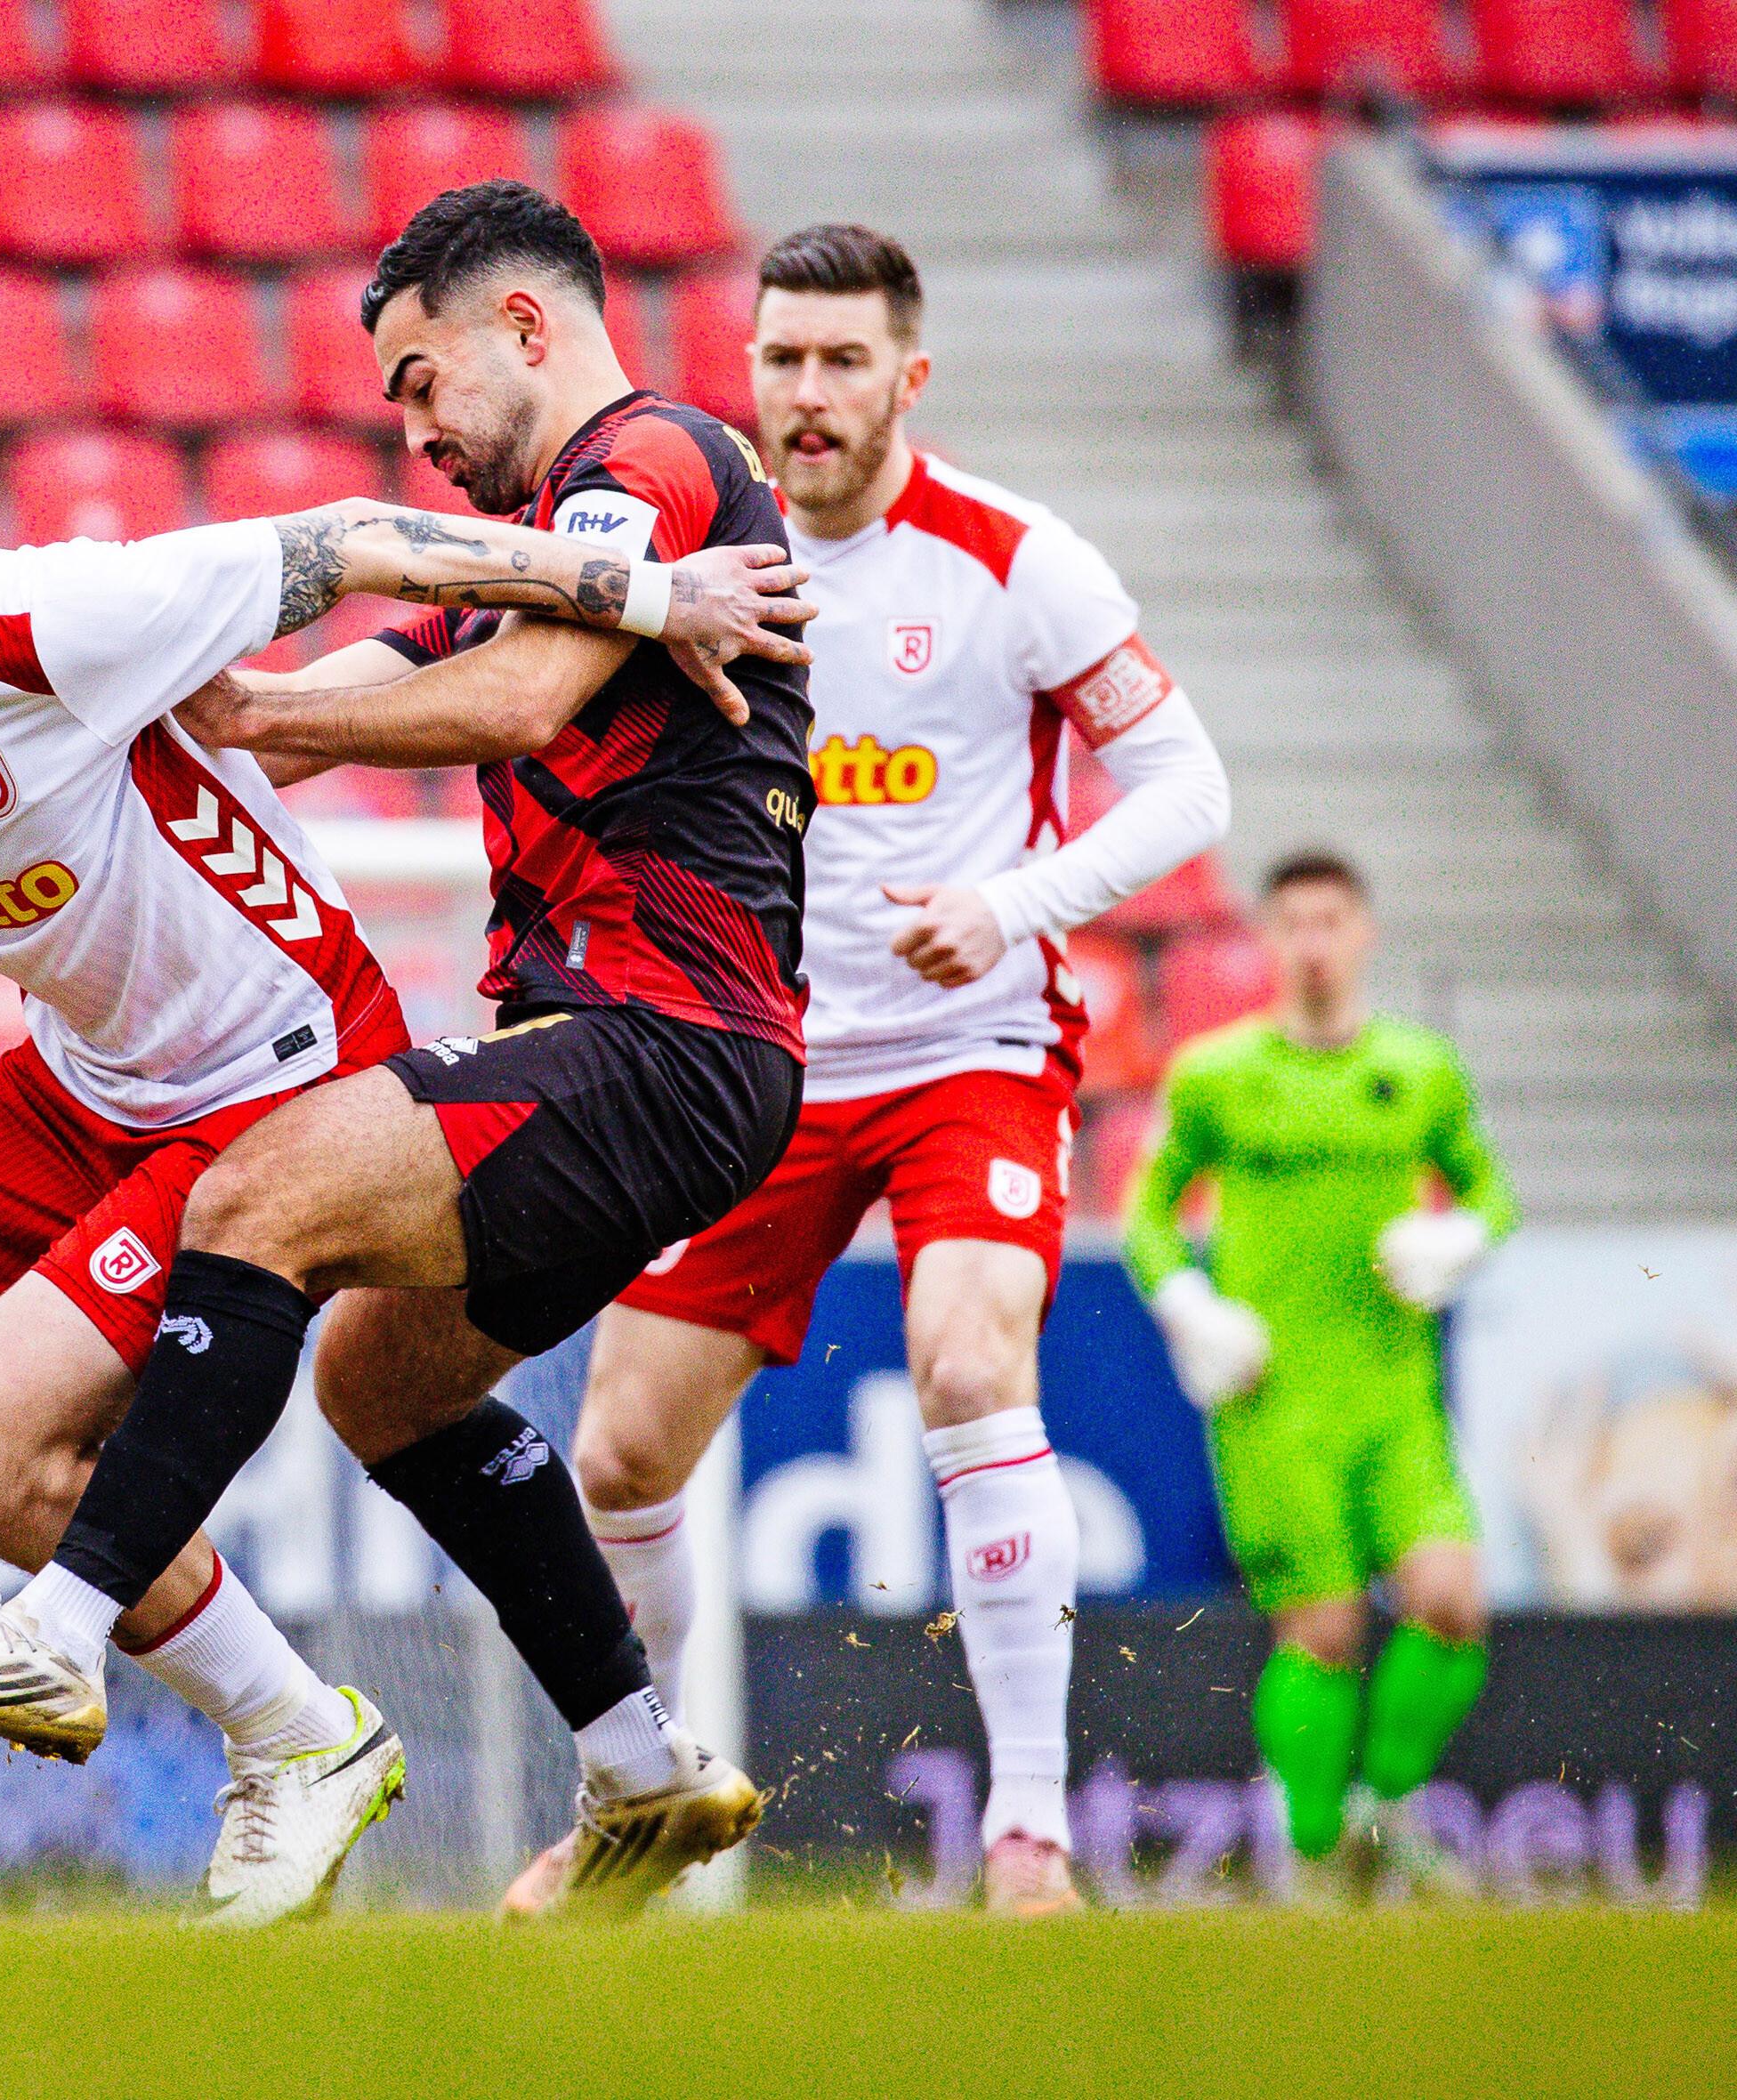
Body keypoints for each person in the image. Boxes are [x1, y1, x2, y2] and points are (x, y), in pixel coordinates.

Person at [0, 371, 811, 1925]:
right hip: (80, 1079)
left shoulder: (51, 616)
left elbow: (357, 537)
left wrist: (653, 594)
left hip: (267, 1071)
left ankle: (298, 1735)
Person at [493, 223, 1236, 1918]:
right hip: (754, 1059)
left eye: (841, 361)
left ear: (909, 376)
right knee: (617, 1457)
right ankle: (636, 1804)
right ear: (745, 370)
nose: (807, 393)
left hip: (968, 1049)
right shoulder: (707, 559)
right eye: (780, 358)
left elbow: (1185, 784)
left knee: (967, 1364)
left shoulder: (1012, 559)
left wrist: (1009, 906)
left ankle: (1027, 1834)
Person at [1127, 849, 1515, 1893]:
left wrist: (1458, 1238)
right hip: (1275, 1400)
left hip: (1394, 1394)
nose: (1311, 942)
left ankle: (1385, 1805)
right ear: (1264, 938)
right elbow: (1147, 1211)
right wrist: (1189, 1305)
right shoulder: (1214, 1073)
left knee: (1450, 1599)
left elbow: (1490, 1191)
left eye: (1329, 920)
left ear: (1361, 932)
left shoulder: (1420, 1068)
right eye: (1291, 922)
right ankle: (1311, 1853)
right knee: (1325, 1627)